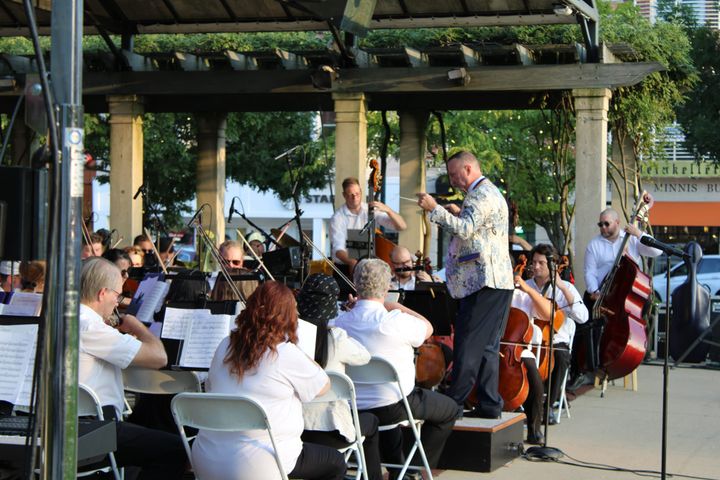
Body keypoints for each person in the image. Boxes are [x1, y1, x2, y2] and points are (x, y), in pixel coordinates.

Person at [192, 281, 346, 480]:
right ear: (289, 316)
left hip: (206, 457)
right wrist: (294, 345)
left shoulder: (225, 345)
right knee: (335, 463)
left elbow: (211, 386)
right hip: (262, 462)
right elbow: (323, 385)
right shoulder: (285, 353)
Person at [333, 259, 457, 477]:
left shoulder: (340, 321)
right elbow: (428, 328)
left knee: (389, 412)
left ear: (355, 284)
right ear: (387, 286)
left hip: (353, 407)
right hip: (394, 405)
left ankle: (399, 470)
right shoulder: (394, 320)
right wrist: (395, 305)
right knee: (450, 410)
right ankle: (412, 470)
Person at [417, 150, 514, 418]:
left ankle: (454, 401)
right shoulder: (485, 193)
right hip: (495, 281)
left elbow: (466, 229)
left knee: (469, 341)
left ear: (468, 169)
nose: (451, 180)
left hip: (484, 282)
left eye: (453, 173)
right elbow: (478, 227)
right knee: (486, 346)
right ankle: (489, 403)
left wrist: (434, 209)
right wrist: (459, 212)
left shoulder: (481, 194)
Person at [78, 257, 186, 479]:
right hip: (93, 431)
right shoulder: (91, 326)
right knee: (176, 450)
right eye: (117, 295)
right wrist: (139, 328)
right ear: (102, 293)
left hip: (64, 423)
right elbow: (159, 357)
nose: (118, 302)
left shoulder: (63, 318)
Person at [297, 274, 383, 480]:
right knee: (371, 422)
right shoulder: (336, 338)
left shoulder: (287, 338)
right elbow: (364, 356)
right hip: (331, 431)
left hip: (296, 429)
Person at [576, 207, 661, 384]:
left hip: (624, 296)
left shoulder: (631, 240)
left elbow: (657, 251)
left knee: (621, 324)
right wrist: (594, 291)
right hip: (601, 293)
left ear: (617, 223)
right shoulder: (594, 245)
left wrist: (638, 232)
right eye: (600, 224)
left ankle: (615, 361)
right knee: (583, 325)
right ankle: (582, 369)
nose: (603, 227)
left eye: (606, 224)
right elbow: (589, 271)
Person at [525, 244, 588, 424]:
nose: (536, 266)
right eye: (534, 262)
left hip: (555, 340)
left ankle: (547, 407)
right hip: (529, 340)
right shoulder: (526, 285)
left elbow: (583, 317)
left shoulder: (565, 287)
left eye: (541, 263)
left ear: (552, 266)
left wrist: (563, 288)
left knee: (560, 358)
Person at [330, 177, 407, 272]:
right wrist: (354, 263)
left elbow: (401, 226)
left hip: (370, 266)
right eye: (351, 195)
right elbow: (338, 250)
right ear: (344, 195)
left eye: (357, 194)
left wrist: (388, 210)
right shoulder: (338, 217)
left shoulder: (370, 210)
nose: (355, 198)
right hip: (345, 269)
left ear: (361, 192)